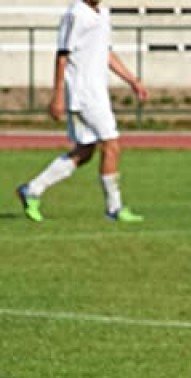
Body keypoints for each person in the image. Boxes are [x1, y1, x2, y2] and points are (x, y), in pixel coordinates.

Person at [16, 0, 147, 223]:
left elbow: (105, 53)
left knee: (84, 151)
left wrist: (133, 81)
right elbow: (62, 56)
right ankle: (114, 208)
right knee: (111, 144)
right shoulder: (76, 14)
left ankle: (32, 189)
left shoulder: (102, 14)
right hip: (83, 93)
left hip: (96, 92)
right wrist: (57, 95)